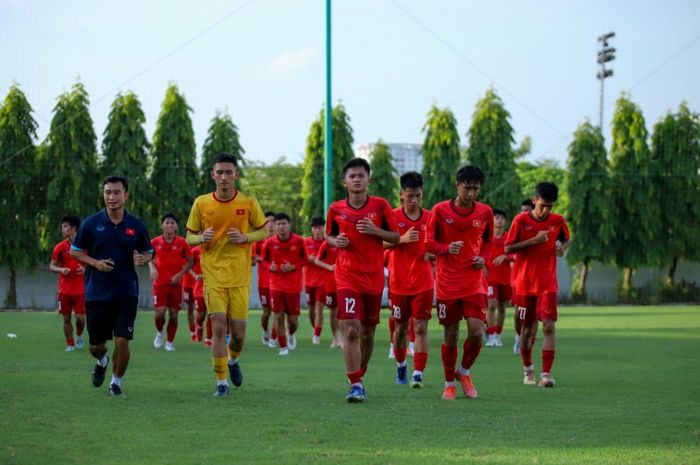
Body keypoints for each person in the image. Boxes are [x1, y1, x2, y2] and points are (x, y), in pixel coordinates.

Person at [185, 153, 269, 397]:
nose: (224, 177)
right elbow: (189, 236)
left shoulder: (248, 202)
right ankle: (221, 382)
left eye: (228, 172)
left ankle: (232, 360)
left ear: (236, 175)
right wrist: (201, 238)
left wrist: (246, 237)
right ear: (213, 175)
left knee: (239, 336)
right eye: (219, 172)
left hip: (240, 277)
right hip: (213, 277)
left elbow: (264, 232)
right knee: (219, 327)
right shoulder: (201, 203)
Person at [70, 176, 152, 397]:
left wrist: (143, 259)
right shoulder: (90, 223)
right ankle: (103, 361)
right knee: (96, 346)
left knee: (122, 340)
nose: (111, 197)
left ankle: (116, 382)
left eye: (116, 192)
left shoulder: (136, 225)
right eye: (107, 192)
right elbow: (75, 251)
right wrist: (95, 263)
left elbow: (148, 251)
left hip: (126, 291)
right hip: (97, 292)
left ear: (125, 195)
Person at [325, 157, 399, 403]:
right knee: (352, 329)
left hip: (374, 278)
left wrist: (375, 231)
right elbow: (329, 235)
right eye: (352, 176)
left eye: (361, 176)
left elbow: (396, 237)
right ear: (345, 182)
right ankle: (355, 383)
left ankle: (359, 375)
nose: (357, 180)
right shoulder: (336, 209)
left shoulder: (380, 206)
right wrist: (337, 242)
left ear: (369, 180)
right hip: (346, 276)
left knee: (368, 334)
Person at [425, 165, 493, 400]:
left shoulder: (485, 212)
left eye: (475, 189)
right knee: (451, 335)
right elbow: (428, 243)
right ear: (457, 185)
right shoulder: (440, 210)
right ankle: (448, 384)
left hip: (474, 282)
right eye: (467, 188)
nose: (471, 193)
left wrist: (482, 258)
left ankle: (463, 372)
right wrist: (445, 248)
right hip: (447, 283)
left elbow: (488, 242)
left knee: (477, 332)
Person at [505, 181, 570, 388]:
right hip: (524, 284)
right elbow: (508, 248)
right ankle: (528, 369)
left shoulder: (558, 221)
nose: (546, 210)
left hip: (547, 284)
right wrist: (534, 240)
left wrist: (561, 247)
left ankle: (546, 374)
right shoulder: (521, 220)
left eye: (550, 206)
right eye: (542, 205)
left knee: (549, 327)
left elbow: (566, 239)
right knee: (527, 330)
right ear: (534, 201)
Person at [385, 171, 435, 388]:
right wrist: (401, 239)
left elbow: (439, 245)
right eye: (410, 196)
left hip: (424, 283)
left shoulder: (431, 217)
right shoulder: (392, 217)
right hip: (399, 284)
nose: (414, 200)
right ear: (401, 196)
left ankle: (418, 373)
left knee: (422, 327)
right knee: (400, 328)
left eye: (418, 195)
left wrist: (435, 253)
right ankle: (401, 364)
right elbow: (379, 244)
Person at [261, 213, 308, 355]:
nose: (281, 227)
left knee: (293, 320)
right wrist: (270, 267)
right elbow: (264, 260)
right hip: (275, 285)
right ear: (275, 226)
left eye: (284, 224)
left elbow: (305, 260)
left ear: (289, 225)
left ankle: (291, 333)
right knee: (278, 316)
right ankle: (283, 347)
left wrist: (293, 267)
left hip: (293, 286)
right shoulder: (269, 243)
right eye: (278, 224)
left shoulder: (299, 241)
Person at [149, 213, 194, 352]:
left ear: (176, 226)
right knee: (159, 313)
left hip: (176, 284)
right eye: (167, 222)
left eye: (172, 223)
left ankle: (169, 342)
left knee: (174, 315)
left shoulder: (182, 243)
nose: (169, 225)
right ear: (162, 225)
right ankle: (160, 332)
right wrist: (152, 267)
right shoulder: (155, 242)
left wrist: (179, 275)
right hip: (159, 283)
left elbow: (190, 261)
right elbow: (147, 257)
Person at [50, 215, 86, 352]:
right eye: (62, 227)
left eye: (65, 226)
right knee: (66, 318)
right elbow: (52, 266)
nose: (63, 229)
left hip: (81, 290)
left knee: (80, 319)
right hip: (64, 290)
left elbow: (94, 261)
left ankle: (79, 334)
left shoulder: (85, 245)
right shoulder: (59, 247)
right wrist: (61, 269)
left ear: (74, 228)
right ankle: (70, 344)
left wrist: (85, 268)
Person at [484, 208, 514, 348]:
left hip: (505, 278)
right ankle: (490, 336)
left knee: (502, 308)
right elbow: (476, 252)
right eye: (497, 217)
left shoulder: (509, 238)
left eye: (502, 218)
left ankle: (498, 335)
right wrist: (482, 266)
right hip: (490, 278)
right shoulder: (486, 238)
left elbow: (517, 255)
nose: (499, 220)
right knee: (491, 305)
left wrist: (505, 257)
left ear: (505, 221)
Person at [513, 198, 536, 354]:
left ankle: (528, 345)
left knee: (534, 316)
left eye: (528, 210)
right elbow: (507, 248)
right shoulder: (517, 227)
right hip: (520, 279)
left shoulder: (540, 229)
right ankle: (518, 336)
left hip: (538, 279)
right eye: (522, 210)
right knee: (518, 313)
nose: (524, 213)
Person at [252, 211, 277, 346]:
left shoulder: (282, 239)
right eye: (268, 222)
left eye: (273, 222)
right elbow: (253, 260)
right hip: (264, 283)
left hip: (279, 282)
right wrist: (259, 259)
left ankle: (274, 337)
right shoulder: (259, 242)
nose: (271, 225)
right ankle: (265, 330)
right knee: (266, 312)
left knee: (278, 312)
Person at [304, 216, 329, 344]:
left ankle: (316, 335)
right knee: (311, 309)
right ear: (312, 229)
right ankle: (315, 328)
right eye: (315, 228)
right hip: (309, 281)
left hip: (323, 281)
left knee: (319, 308)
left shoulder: (328, 242)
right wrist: (308, 258)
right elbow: (300, 259)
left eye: (320, 227)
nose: (318, 230)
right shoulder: (306, 242)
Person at [313, 239, 341, 347]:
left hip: (346, 281)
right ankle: (336, 337)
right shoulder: (327, 243)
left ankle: (344, 337)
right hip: (331, 283)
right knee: (333, 311)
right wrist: (329, 267)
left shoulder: (348, 240)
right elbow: (317, 260)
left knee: (345, 312)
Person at [188, 244, 211, 344]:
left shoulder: (216, 249)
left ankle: (209, 338)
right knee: (201, 315)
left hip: (213, 287)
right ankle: (199, 326)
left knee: (212, 313)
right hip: (199, 288)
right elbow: (187, 266)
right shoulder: (196, 251)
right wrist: (195, 275)